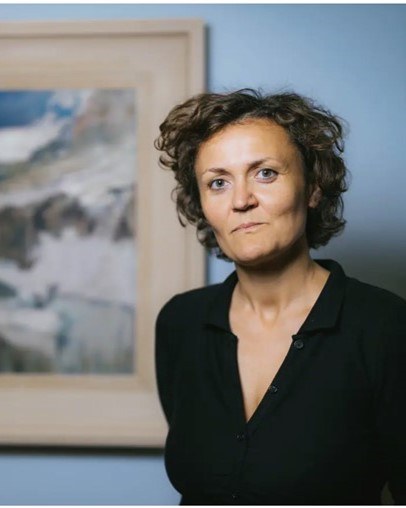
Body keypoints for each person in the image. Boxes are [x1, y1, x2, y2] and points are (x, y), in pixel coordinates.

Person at [154, 89, 406, 505]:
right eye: (218, 182)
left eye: (265, 173)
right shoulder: (181, 322)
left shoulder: (384, 326)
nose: (241, 200)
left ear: (313, 188)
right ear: (201, 204)